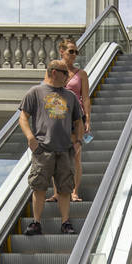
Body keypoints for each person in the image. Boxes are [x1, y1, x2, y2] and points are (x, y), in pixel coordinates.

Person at [18, 60, 84, 235]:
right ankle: (36, 222)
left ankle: (65, 222)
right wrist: (31, 138)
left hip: (65, 149)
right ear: (54, 72)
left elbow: (78, 121)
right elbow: (23, 117)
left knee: (65, 188)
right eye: (65, 74)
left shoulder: (71, 97)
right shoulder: (35, 92)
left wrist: (78, 141)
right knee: (39, 186)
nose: (68, 78)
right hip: (43, 149)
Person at [47, 37, 89, 204]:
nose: (74, 55)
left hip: (76, 117)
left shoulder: (82, 74)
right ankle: (57, 193)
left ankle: (73, 191)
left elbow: (85, 97)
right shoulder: (54, 70)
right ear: (62, 51)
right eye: (71, 51)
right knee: (57, 156)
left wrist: (88, 119)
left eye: (76, 52)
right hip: (57, 117)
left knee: (75, 156)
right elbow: (48, 90)